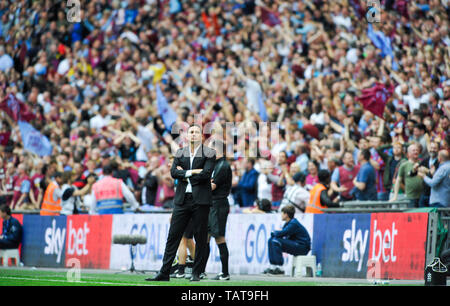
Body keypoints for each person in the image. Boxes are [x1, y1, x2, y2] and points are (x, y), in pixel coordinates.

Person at [147, 124, 216, 282]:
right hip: (182, 200)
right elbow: (173, 173)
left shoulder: (209, 153)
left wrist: (183, 174)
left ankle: (197, 273)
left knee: (200, 237)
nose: (193, 135)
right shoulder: (180, 152)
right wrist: (192, 172)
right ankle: (164, 272)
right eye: (191, 132)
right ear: (187, 135)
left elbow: (206, 175)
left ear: (201, 135)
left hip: (201, 201)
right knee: (173, 236)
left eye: (196, 132)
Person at [202, 139, 233, 281]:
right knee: (206, 237)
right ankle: (201, 270)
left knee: (219, 237)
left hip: (219, 204)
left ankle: (225, 272)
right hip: (211, 204)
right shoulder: (215, 165)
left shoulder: (223, 165)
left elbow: (212, 186)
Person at [263, 205, 311, 275]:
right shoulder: (288, 223)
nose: (281, 215)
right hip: (296, 244)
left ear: (286, 214)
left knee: (275, 241)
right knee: (271, 240)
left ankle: (280, 268)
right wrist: (277, 233)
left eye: (282, 213)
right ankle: (273, 267)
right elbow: (281, 234)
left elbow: (282, 233)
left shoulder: (293, 223)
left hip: (302, 247)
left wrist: (274, 232)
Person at [390, 143, 424, 208]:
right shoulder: (404, 165)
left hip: (422, 197)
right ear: (408, 153)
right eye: (413, 150)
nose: (416, 152)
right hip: (410, 197)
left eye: (417, 150)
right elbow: (398, 180)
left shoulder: (422, 163)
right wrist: (395, 196)